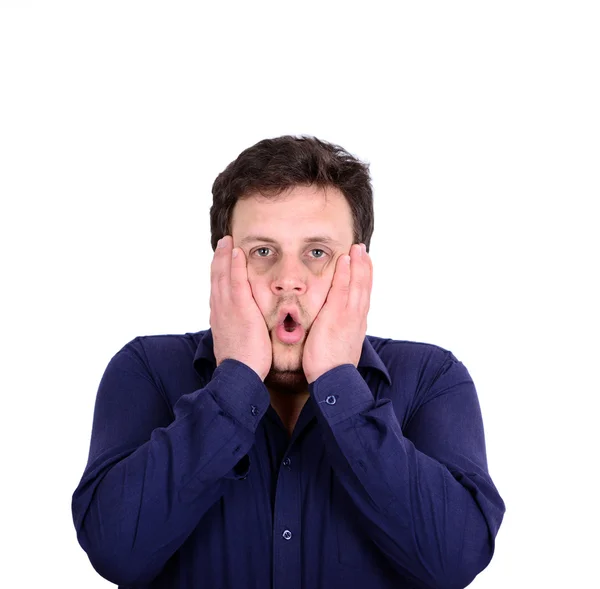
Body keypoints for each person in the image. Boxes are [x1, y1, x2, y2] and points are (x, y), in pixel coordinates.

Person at [71, 135, 505, 589]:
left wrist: (340, 382)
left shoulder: (433, 378)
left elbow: (454, 562)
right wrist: (235, 381)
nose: (288, 281)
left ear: (358, 269)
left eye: (317, 252)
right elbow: (115, 551)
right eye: (263, 252)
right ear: (222, 264)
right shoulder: (146, 370)